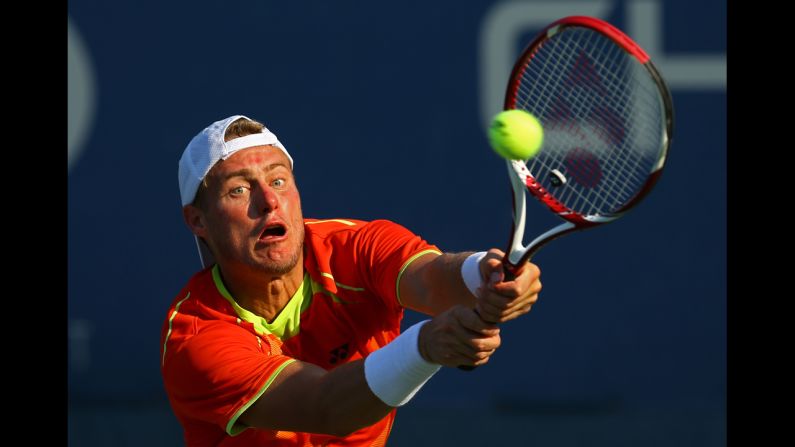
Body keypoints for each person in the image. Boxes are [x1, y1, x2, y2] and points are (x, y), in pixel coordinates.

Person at [160, 115, 543, 446]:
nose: (268, 200)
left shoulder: (355, 247)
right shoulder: (195, 337)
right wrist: (424, 347)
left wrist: (484, 276)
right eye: (239, 190)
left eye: (278, 181)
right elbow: (325, 406)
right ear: (198, 221)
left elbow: (432, 280)